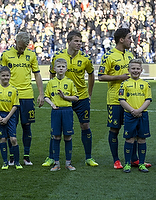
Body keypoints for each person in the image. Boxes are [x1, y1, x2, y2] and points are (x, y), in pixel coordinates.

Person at [98, 28, 151, 169]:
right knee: (114, 129)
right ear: (121, 39)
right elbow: (101, 76)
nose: (131, 40)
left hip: (132, 100)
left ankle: (134, 159)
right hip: (115, 99)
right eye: (129, 38)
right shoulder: (108, 55)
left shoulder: (129, 55)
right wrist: (119, 77)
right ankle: (116, 160)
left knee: (133, 130)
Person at [43, 30, 98, 167]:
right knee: (56, 128)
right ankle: (51, 157)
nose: (79, 44)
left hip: (80, 97)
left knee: (85, 125)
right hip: (62, 99)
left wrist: (89, 94)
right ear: (68, 42)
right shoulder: (58, 56)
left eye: (81, 41)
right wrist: (53, 92)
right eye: (76, 41)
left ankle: (88, 157)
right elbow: (51, 74)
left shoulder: (85, 58)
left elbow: (91, 75)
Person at [0, 32, 45, 166]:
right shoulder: (6, 55)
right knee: (10, 127)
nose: (22, 49)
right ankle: (12, 156)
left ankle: (26, 155)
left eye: (24, 47)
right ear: (16, 42)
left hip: (27, 96)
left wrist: (41, 94)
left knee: (27, 125)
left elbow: (37, 75)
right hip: (11, 96)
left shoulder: (31, 55)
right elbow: (2, 75)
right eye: (20, 47)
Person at [44, 58, 79, 171]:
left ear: (66, 69)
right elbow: (46, 96)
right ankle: (56, 163)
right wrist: (52, 104)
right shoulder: (51, 82)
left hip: (67, 110)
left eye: (63, 67)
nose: (61, 69)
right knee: (56, 136)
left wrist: (65, 97)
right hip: (56, 111)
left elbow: (76, 97)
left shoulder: (69, 82)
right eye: (58, 67)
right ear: (54, 69)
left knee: (68, 136)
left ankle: (68, 163)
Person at [118, 59, 152, 173]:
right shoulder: (124, 84)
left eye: (138, 68)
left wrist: (139, 110)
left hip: (142, 114)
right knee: (129, 139)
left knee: (142, 139)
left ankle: (141, 164)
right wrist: (133, 110)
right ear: (128, 70)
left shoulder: (146, 84)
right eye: (133, 68)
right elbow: (122, 100)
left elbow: (148, 99)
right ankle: (127, 163)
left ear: (141, 70)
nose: (135, 71)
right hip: (129, 115)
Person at [0, 66, 22, 170]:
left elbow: (15, 105)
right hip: (0, 116)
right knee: (3, 139)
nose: (5, 78)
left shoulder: (13, 90)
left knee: (13, 139)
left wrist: (7, 118)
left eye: (7, 75)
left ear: (10, 76)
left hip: (10, 116)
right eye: (3, 76)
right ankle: (5, 162)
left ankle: (17, 162)